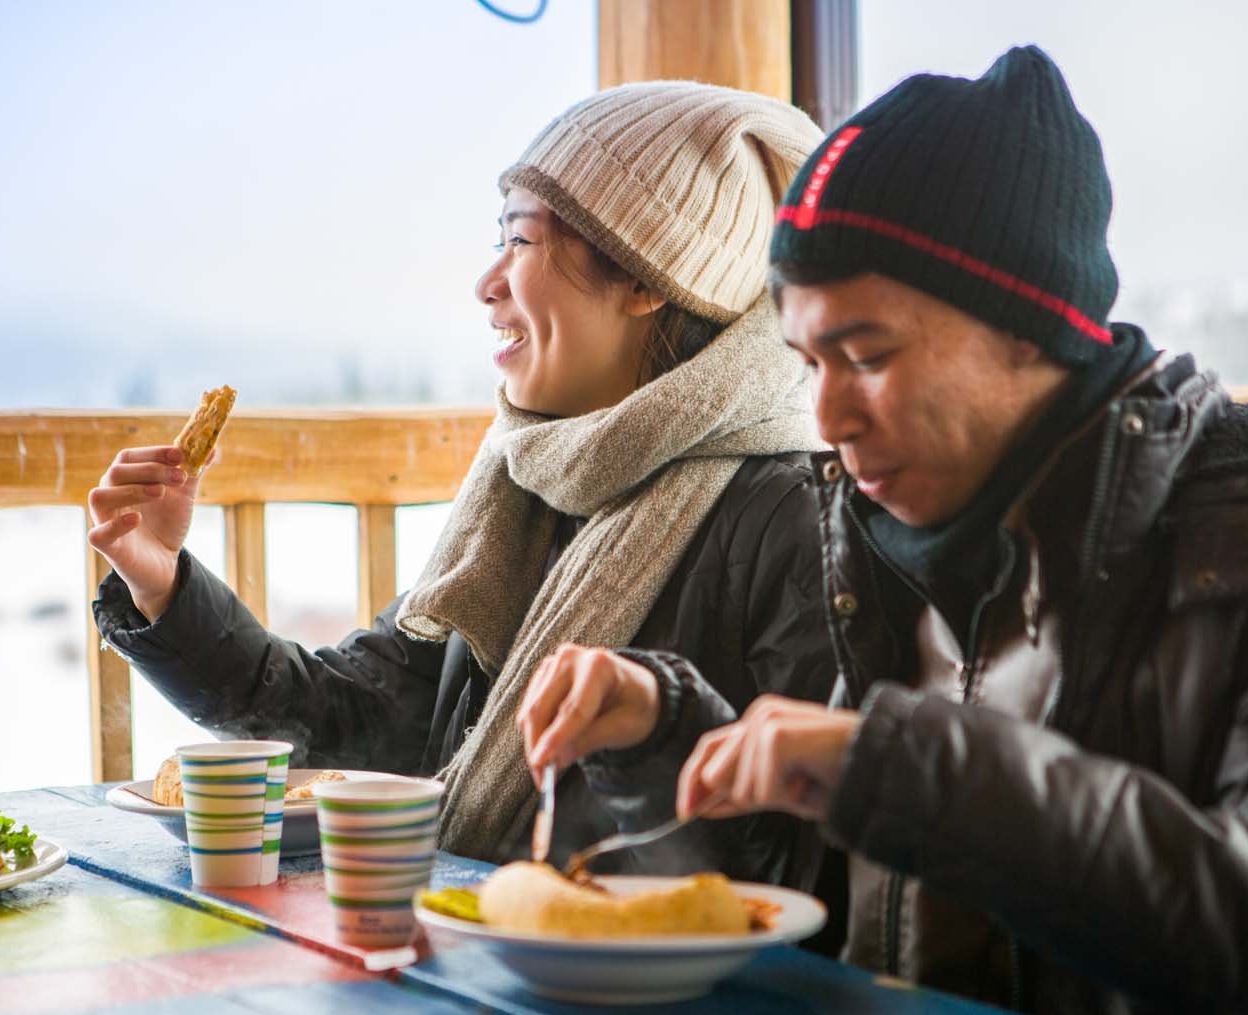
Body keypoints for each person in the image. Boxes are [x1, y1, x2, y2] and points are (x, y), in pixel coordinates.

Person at [518, 47, 1248, 1015]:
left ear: (1031, 333)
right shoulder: (882, 538)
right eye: (809, 362)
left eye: (866, 356)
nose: (825, 417)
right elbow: (823, 899)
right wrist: (665, 732)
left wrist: (901, 769)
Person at [87, 81, 838, 877]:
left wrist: (653, 733)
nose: (487, 282)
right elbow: (353, 723)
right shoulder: (530, 490)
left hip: (639, 985)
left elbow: (797, 859)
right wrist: (162, 589)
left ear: (651, 276)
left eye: (520, 241)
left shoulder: (793, 518)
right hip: (472, 952)